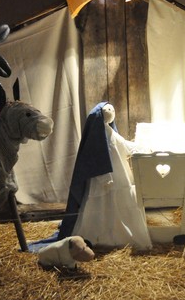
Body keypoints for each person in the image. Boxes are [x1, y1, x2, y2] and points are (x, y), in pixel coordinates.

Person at [59, 102, 152, 250]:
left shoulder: (109, 132)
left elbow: (124, 145)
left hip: (118, 175)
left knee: (116, 203)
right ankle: (102, 237)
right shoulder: (97, 136)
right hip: (103, 178)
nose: (111, 112)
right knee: (102, 204)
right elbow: (96, 159)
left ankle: (112, 236)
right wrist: (104, 177)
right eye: (108, 111)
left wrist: (144, 147)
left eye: (112, 110)